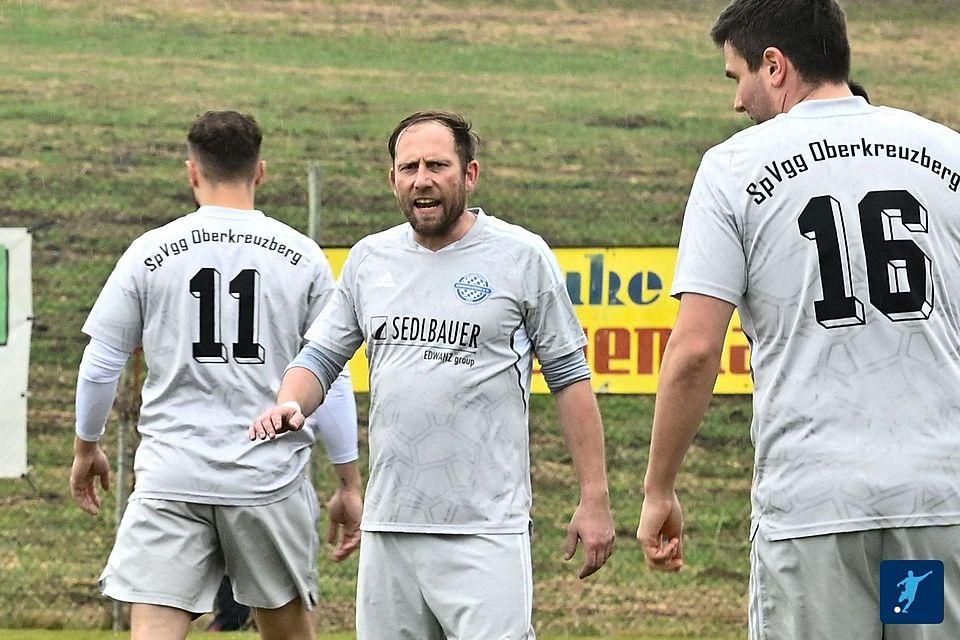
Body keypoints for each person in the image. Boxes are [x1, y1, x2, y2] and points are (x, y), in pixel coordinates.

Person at [637, 1, 960, 638]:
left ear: (776, 66)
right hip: (935, 501)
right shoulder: (949, 154)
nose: (737, 102)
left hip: (818, 508)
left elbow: (696, 350)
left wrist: (659, 490)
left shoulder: (733, 167)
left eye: (738, 77)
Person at [251, 110, 615, 639]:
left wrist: (595, 498)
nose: (421, 179)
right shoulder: (369, 259)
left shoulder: (521, 257)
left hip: (484, 529)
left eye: (437, 165)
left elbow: (570, 378)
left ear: (469, 175)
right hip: (390, 527)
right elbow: (320, 358)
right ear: (393, 179)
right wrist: (291, 401)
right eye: (408, 167)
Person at [69, 110, 362, 640]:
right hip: (266, 478)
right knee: (290, 633)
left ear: (191, 172)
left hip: (172, 474)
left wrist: (86, 448)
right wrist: (347, 480)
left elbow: (103, 362)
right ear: (262, 172)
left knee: (154, 629)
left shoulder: (149, 252)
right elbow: (332, 375)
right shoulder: (303, 257)